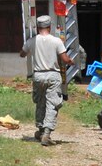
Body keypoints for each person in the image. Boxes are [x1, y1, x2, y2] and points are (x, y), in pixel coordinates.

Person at [20, 15, 75, 146]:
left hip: (38, 76)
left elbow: (22, 54)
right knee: (52, 104)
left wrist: (30, 48)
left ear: (38, 27)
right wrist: (72, 62)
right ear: (49, 27)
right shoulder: (56, 41)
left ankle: (40, 130)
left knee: (40, 102)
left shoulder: (32, 41)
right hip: (53, 75)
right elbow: (65, 58)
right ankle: (47, 134)